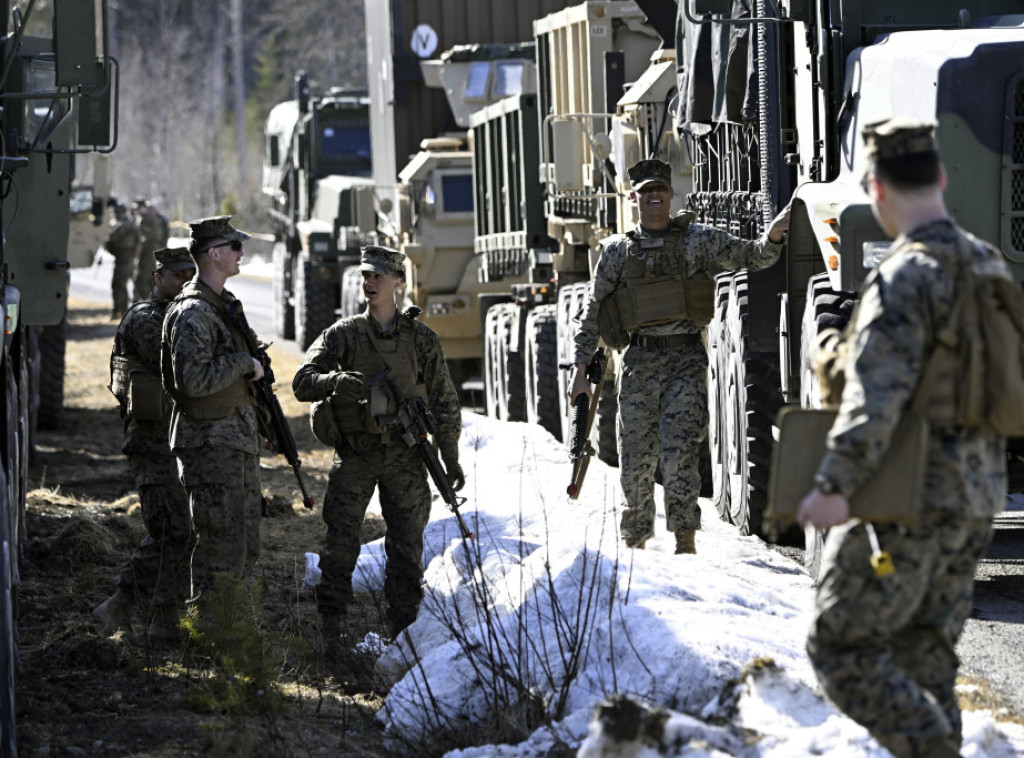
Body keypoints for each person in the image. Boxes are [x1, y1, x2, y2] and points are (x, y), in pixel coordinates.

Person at [796, 119, 1008, 758]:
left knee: (836, 646)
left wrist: (833, 486)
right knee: (925, 655)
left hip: (910, 495)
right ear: (941, 178)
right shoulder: (989, 264)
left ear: (876, 190)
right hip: (977, 495)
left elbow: (874, 401)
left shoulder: (902, 276)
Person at [569, 159, 790, 554]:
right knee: (635, 458)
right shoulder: (618, 252)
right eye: (646, 191)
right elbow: (592, 307)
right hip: (639, 363)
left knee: (679, 453)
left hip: (685, 361)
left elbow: (752, 257)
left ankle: (685, 542)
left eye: (660, 190)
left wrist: (772, 238)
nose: (654, 196)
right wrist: (581, 368)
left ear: (671, 194)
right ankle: (635, 541)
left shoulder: (697, 240)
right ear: (633, 197)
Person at [292, 245, 463, 643]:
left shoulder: (422, 339)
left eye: (378, 277)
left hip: (406, 456)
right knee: (341, 546)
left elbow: (444, 401)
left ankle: (402, 635)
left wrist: (450, 456)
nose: (369, 283)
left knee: (406, 550)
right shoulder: (345, 334)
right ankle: (331, 632)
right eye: (365, 275)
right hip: (357, 454)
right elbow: (302, 381)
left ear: (398, 282)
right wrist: (333, 382)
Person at [94, 247, 197, 640]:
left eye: (191, 274)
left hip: (178, 444)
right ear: (158, 279)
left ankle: (163, 619)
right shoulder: (145, 319)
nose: (185, 282)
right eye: (177, 276)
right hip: (152, 446)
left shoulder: (186, 317)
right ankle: (119, 603)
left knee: (182, 532)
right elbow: (181, 366)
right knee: (170, 530)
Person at [161, 216, 264, 603]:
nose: (242, 253)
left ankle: (231, 634)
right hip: (209, 445)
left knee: (245, 544)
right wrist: (241, 363)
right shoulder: (194, 313)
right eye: (235, 247)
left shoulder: (222, 306)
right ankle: (208, 640)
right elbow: (191, 380)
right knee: (219, 549)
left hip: (233, 441)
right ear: (214, 253)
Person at [105, 203, 141, 320]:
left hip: (123, 258)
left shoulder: (123, 226)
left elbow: (111, 240)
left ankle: (118, 311)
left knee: (118, 284)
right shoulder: (131, 225)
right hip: (128, 257)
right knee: (122, 285)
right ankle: (123, 310)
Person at [133, 199, 170, 305]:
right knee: (146, 277)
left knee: (148, 278)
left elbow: (160, 237)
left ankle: (150, 302)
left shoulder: (155, 220)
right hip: (152, 251)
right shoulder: (152, 219)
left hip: (153, 251)